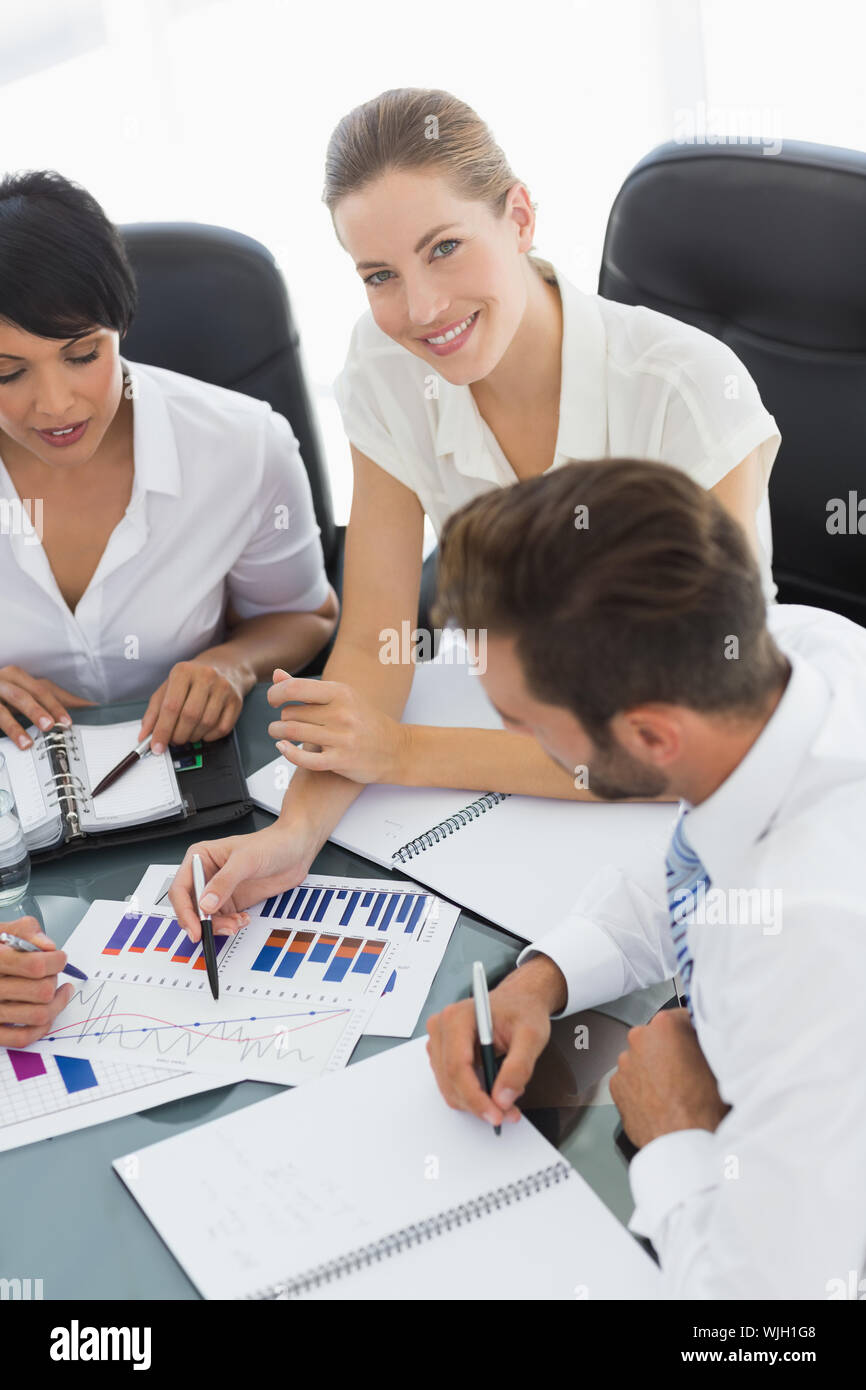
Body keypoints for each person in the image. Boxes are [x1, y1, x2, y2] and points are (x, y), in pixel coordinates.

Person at [166, 86, 782, 934]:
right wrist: (293, 836)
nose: (420, 309)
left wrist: (404, 753)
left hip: (678, 815)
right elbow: (376, 640)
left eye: (445, 248)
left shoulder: (687, 390)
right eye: (381, 275)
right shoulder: (386, 363)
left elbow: (684, 733)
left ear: (520, 217)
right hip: (510, 757)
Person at [423, 458, 866, 1299]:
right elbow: (698, 840)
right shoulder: (795, 654)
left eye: (524, 723)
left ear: (652, 736)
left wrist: (675, 1136)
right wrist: (540, 981)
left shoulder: (813, 942)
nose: (515, 738)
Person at [0, 169, 338, 757]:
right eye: (7, 372)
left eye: (82, 355)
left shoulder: (243, 445)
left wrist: (233, 663)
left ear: (122, 324)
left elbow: (304, 616)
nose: (55, 405)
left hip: (190, 766)